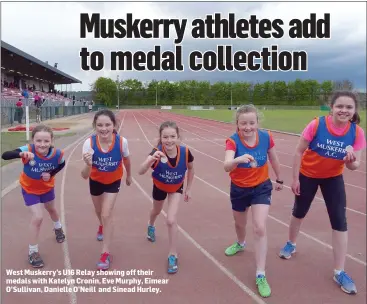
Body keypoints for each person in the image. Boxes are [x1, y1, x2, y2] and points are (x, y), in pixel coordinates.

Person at [279, 91, 366, 295]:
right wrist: (294, 179)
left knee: (339, 221)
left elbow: (355, 166)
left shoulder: (357, 133)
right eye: (340, 106)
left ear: (354, 111)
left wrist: (350, 160)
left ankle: (339, 271)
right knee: (299, 211)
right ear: (331, 107)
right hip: (307, 175)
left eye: (349, 107)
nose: (344, 111)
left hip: (333, 178)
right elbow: (299, 151)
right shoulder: (317, 125)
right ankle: (291, 243)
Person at [223, 104, 283, 298]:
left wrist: (279, 177)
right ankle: (240, 243)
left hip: (261, 187)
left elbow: (273, 158)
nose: (247, 127)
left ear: (257, 123)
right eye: (243, 124)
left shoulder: (266, 137)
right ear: (237, 125)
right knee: (240, 224)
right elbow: (226, 165)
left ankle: (260, 274)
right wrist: (238, 160)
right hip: (239, 189)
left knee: (259, 226)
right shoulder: (232, 141)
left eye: (251, 123)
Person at [1, 124, 66, 268]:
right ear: (33, 141)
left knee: (52, 210)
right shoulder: (28, 150)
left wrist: (51, 174)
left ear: (51, 141)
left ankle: (58, 227)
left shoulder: (57, 154)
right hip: (30, 189)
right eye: (38, 141)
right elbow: (4, 155)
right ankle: (33, 252)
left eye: (46, 141)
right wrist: (20, 154)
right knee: (38, 217)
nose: (42, 144)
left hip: (47, 188)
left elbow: (61, 164)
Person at [138, 121, 195, 274]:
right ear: (160, 138)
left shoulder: (186, 152)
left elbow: (190, 169)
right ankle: (150, 225)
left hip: (176, 188)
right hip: (159, 186)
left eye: (172, 136)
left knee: (171, 220)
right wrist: (150, 159)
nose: (169, 140)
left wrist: (188, 188)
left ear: (178, 137)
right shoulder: (156, 152)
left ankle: (172, 254)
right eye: (165, 137)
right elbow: (140, 171)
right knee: (156, 211)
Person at [81, 109, 132, 271]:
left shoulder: (122, 142)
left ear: (114, 125)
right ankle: (102, 226)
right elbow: (84, 176)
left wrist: (129, 176)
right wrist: (88, 164)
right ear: (95, 126)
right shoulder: (89, 144)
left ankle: (105, 253)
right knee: (98, 211)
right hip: (95, 181)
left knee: (106, 213)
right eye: (100, 125)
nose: (104, 129)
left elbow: (127, 160)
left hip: (113, 181)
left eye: (107, 125)